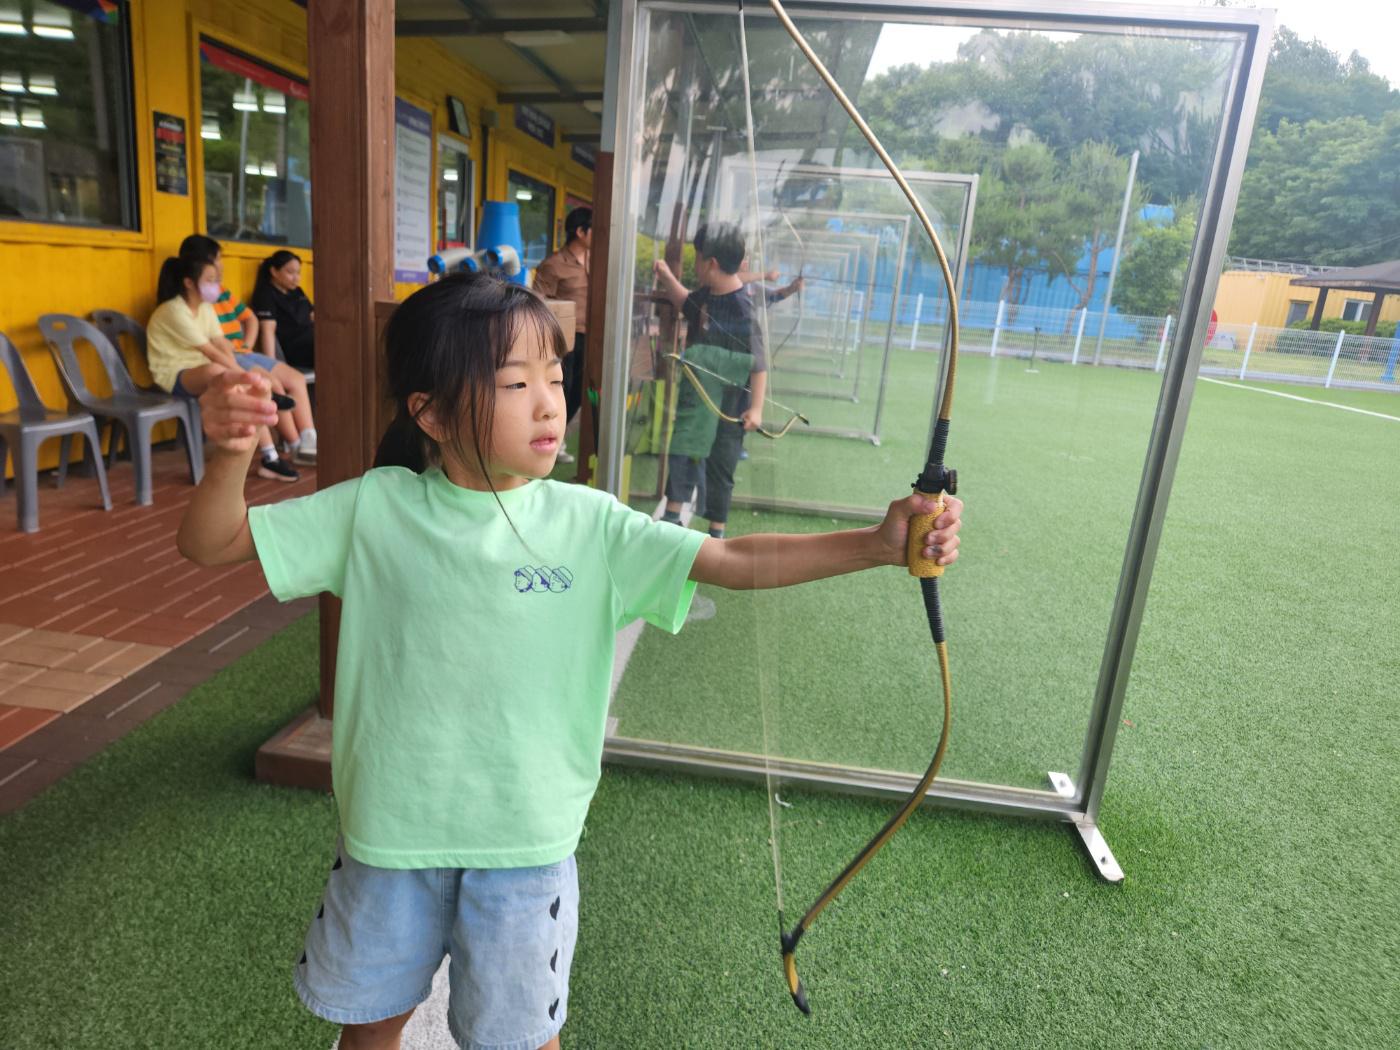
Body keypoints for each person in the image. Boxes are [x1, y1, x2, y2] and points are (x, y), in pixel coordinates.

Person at [177, 272, 963, 1050]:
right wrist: (230, 456)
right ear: (432, 413)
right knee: (372, 1025)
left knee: (521, 1040)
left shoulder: (591, 523)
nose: (550, 403)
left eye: (554, 377)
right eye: (516, 383)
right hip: (388, 841)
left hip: (526, 849)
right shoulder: (374, 508)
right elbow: (213, 543)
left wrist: (875, 545)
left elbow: (728, 559)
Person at [652, 222, 768, 538]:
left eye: (697, 257)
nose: (696, 263)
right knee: (683, 454)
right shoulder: (706, 296)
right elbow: (686, 302)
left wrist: (756, 409)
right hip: (696, 404)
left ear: (711, 263)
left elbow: (759, 365)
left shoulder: (743, 310)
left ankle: (716, 533)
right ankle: (672, 519)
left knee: (720, 466)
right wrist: (667, 277)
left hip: (729, 410)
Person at [146, 254, 299, 482]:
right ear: (189, 283)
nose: (216, 285)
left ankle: (278, 440)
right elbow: (211, 352)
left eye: (217, 279)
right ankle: (270, 456)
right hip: (175, 373)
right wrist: (243, 376)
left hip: (205, 364)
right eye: (210, 280)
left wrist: (248, 373)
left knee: (251, 374)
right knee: (223, 375)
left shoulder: (206, 308)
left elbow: (222, 345)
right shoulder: (173, 311)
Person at [180, 234, 318, 464]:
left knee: (295, 379)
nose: (221, 264)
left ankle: (309, 439)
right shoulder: (195, 301)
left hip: (242, 352)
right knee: (270, 384)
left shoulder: (221, 292)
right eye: (217, 259)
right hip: (225, 356)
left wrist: (246, 345)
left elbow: (250, 318)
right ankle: (295, 446)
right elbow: (212, 346)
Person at [530, 205, 592, 465]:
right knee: (561, 389)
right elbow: (537, 301)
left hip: (591, 337)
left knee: (579, 392)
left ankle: (559, 435)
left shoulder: (597, 261)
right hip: (565, 339)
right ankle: (551, 441)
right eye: (594, 230)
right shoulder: (554, 264)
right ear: (580, 232)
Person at [251, 249, 315, 372]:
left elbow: (313, 316)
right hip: (297, 350)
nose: (296, 278)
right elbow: (267, 331)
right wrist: (271, 366)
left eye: (298, 273)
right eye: (290, 272)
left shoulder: (298, 291)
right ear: (274, 271)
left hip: (313, 342)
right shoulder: (266, 295)